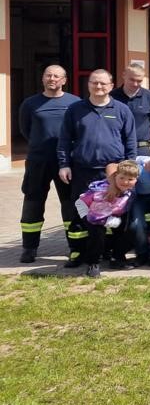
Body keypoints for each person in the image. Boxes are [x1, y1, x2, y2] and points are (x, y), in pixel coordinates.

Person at [57, 68, 137, 268]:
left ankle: (116, 256)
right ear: (89, 84)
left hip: (113, 173)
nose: (98, 86)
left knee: (118, 215)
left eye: (103, 83)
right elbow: (65, 139)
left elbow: (131, 141)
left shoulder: (122, 110)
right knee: (82, 214)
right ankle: (79, 253)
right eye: (94, 82)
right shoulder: (75, 110)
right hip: (83, 171)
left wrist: (128, 169)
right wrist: (64, 164)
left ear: (111, 86)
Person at [18, 64, 79, 263]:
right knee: (33, 203)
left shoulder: (75, 103)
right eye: (48, 75)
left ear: (64, 80)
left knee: (70, 204)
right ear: (43, 79)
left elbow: (79, 131)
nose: (52, 79)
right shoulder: (30, 103)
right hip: (38, 162)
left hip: (66, 163)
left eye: (56, 76)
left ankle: (75, 246)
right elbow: (25, 130)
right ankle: (29, 248)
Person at [76, 160, 139, 278]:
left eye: (130, 180)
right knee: (97, 232)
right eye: (122, 178)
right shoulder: (104, 191)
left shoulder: (130, 190)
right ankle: (93, 263)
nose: (125, 182)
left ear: (136, 179)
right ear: (115, 177)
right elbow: (95, 216)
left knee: (127, 230)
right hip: (90, 211)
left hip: (110, 212)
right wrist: (109, 221)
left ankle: (117, 258)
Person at [111, 64, 150, 158]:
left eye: (139, 81)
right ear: (124, 75)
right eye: (132, 79)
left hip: (141, 150)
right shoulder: (111, 97)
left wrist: (147, 141)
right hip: (115, 148)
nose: (135, 84)